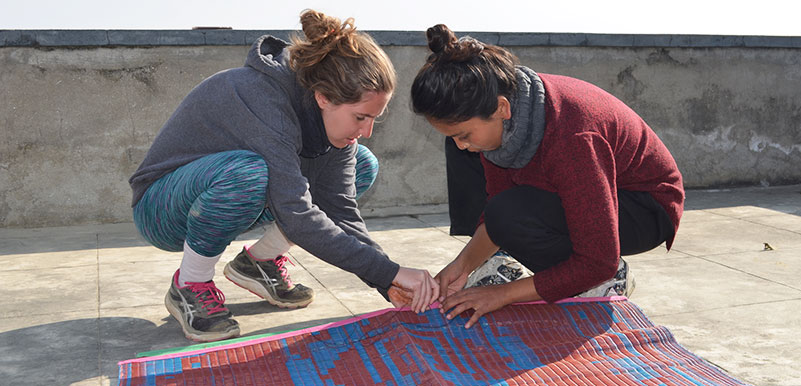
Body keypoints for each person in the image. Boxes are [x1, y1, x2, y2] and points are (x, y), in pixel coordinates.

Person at [129, 10, 438, 342]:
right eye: (361, 117)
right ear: (324, 97)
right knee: (250, 173)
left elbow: (340, 210)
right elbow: (296, 214)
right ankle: (189, 283)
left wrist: (387, 280)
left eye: (374, 118)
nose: (367, 130)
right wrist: (390, 272)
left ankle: (258, 263)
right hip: (162, 207)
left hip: (234, 192)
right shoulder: (261, 98)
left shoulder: (329, 117)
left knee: (363, 162)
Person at [409, 25, 685, 328]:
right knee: (489, 189)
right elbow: (498, 205)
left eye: (464, 134)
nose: (462, 144)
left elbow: (597, 259)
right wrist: (461, 267)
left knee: (516, 217)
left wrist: (502, 294)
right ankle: (508, 264)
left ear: (501, 108)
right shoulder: (510, 113)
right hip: (589, 189)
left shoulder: (572, 137)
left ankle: (606, 281)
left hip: (645, 208)